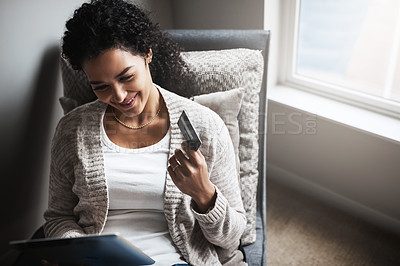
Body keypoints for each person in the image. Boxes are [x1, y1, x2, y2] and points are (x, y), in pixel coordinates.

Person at [43, 0, 247, 265]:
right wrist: (74, 250)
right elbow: (58, 217)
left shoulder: (206, 126)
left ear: (147, 54)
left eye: (126, 77)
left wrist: (204, 195)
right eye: (101, 86)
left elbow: (232, 239)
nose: (118, 95)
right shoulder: (72, 130)